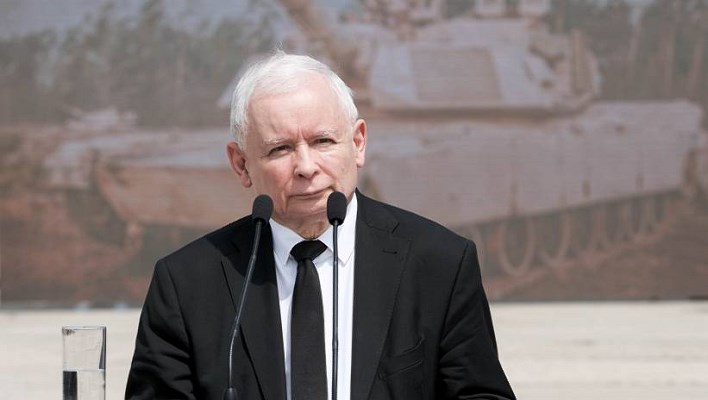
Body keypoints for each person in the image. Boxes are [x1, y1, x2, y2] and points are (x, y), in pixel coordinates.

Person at [126, 50, 515, 400]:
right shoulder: (185, 284)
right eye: (280, 149)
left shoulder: (440, 264)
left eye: (323, 142)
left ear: (358, 143)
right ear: (241, 165)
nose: (306, 167)